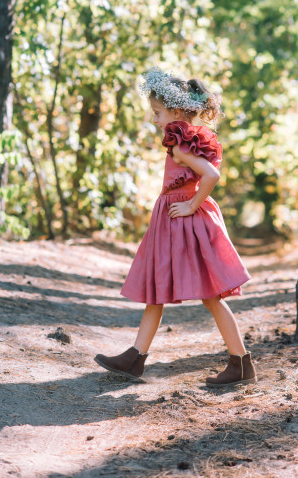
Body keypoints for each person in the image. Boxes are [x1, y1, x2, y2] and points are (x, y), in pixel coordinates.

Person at [94, 66, 257, 388]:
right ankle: (134, 358)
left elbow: (211, 176)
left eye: (157, 113)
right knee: (155, 291)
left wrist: (191, 205)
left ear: (177, 111)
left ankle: (241, 362)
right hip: (173, 219)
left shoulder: (182, 146)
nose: (154, 120)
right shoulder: (179, 143)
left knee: (211, 296)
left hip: (185, 221)